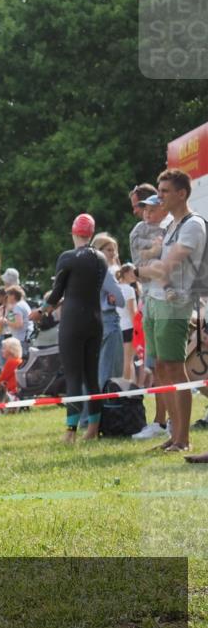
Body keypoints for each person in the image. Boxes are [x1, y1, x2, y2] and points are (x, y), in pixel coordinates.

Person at [135, 169, 206, 457]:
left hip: (175, 305)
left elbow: (166, 268)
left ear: (181, 193)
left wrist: (136, 271)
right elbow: (157, 266)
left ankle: (183, 438)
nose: (159, 196)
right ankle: (173, 435)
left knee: (175, 368)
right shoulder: (172, 224)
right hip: (154, 301)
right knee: (161, 368)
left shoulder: (193, 225)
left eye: (165, 191)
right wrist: (147, 267)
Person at [31, 214, 107, 442]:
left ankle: (70, 432)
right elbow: (82, 289)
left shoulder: (68, 257)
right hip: (95, 320)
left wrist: (41, 311)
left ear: (73, 232)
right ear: (91, 233)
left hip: (73, 321)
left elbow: (56, 293)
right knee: (91, 377)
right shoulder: (101, 258)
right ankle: (93, 430)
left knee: (73, 376)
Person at [131, 192, 172, 440]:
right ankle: (161, 421)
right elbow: (141, 267)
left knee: (171, 366)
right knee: (156, 366)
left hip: (169, 305)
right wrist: (155, 249)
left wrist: (157, 251)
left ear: (164, 209)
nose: (146, 213)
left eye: (152, 209)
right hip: (150, 303)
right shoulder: (139, 230)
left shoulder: (174, 228)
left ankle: (172, 422)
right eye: (144, 209)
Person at [92, 233, 126, 387]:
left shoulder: (85, 271)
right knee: (110, 371)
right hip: (108, 322)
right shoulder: (105, 271)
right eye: (109, 250)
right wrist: (110, 298)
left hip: (92, 321)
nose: (113, 253)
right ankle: (107, 401)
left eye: (114, 250)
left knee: (96, 369)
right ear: (99, 250)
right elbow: (121, 300)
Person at [116, 264, 139, 382]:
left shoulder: (114, 288)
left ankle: (127, 385)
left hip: (116, 328)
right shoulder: (129, 290)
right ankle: (126, 387)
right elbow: (132, 312)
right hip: (128, 328)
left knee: (122, 360)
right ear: (125, 273)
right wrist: (138, 330)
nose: (135, 275)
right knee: (128, 360)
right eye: (133, 272)